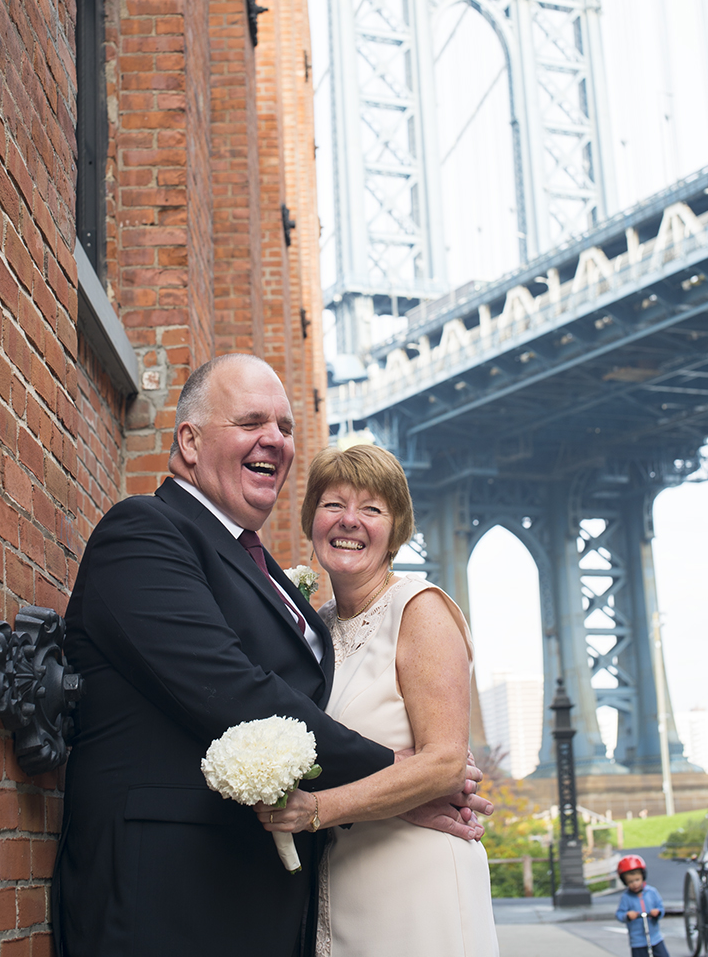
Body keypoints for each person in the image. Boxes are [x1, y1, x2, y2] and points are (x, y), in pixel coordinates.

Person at [53, 355, 488, 957]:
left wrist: (401, 787)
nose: (275, 440)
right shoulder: (144, 532)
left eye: (284, 427)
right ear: (189, 441)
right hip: (168, 895)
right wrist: (400, 779)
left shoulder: (268, 572)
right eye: (251, 421)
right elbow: (234, 692)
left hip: (264, 896)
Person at [256, 444, 500, 957]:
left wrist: (316, 809)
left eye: (371, 508)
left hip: (418, 882)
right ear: (312, 519)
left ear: (397, 528)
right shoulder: (315, 629)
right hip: (341, 882)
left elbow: (445, 763)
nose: (350, 520)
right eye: (333, 504)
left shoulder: (420, 609)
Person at [616, 855, 670, 957]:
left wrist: (657, 912)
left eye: (637, 880)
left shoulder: (652, 892)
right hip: (637, 941)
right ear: (625, 882)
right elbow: (619, 914)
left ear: (643, 877)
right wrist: (627, 915)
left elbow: (660, 907)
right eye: (630, 882)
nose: (635, 884)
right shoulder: (626, 897)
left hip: (655, 938)